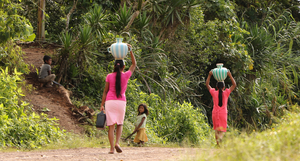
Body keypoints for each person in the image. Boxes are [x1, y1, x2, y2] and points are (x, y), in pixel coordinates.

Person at [100, 44, 136, 154]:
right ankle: (117, 143)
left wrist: (102, 104)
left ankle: (111, 149)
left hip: (110, 102)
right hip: (121, 102)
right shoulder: (126, 75)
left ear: (114, 66)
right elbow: (134, 64)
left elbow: (105, 91)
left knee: (111, 126)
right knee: (119, 124)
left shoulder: (109, 76)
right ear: (123, 67)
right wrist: (130, 51)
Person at [206, 70, 236, 146]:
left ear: (216, 87)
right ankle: (220, 140)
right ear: (224, 87)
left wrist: (209, 75)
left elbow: (207, 84)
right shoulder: (226, 93)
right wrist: (230, 75)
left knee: (216, 129)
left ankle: (218, 144)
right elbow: (234, 85)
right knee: (222, 130)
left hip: (215, 113)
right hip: (223, 114)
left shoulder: (214, 93)